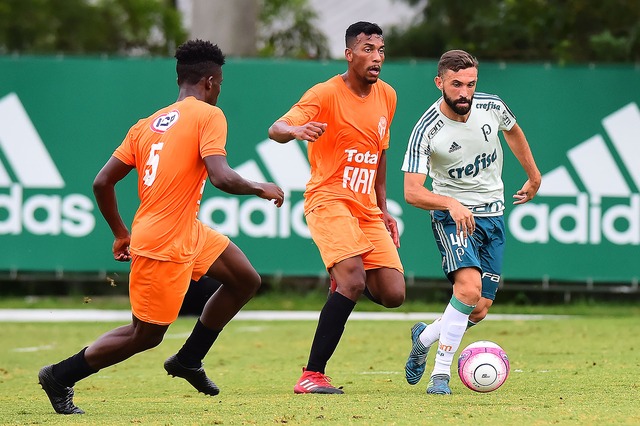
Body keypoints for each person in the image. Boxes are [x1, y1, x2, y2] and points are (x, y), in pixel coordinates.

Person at [38, 39, 284, 415]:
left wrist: (121, 232)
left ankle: (188, 360)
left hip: (186, 229)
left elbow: (102, 182)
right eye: (220, 84)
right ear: (210, 82)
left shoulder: (147, 125)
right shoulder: (209, 115)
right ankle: (59, 375)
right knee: (146, 335)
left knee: (244, 280)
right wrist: (259, 187)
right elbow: (220, 176)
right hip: (163, 241)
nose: (219, 90)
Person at [268, 21, 405, 395]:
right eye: (367, 50)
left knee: (393, 294)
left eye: (380, 50)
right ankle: (311, 375)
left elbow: (380, 155)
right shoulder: (324, 93)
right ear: (349, 55)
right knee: (354, 280)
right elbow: (276, 128)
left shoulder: (388, 96)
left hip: (366, 209)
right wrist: (295, 131)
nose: (376, 57)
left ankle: (342, 279)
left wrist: (384, 207)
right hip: (328, 201)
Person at [401, 49, 541, 394]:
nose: (464, 92)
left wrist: (534, 176)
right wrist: (450, 203)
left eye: (471, 84)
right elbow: (412, 192)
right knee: (467, 290)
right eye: (456, 84)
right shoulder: (427, 129)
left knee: (477, 309)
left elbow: (513, 131)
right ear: (440, 83)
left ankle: (426, 335)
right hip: (453, 219)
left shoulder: (491, 106)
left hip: (493, 216)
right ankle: (440, 376)